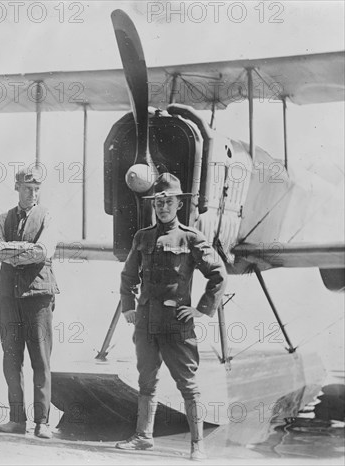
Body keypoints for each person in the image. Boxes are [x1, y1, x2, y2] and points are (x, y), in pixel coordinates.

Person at [116, 173, 227, 461]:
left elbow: (218, 275)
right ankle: (143, 437)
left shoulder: (191, 238)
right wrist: (128, 305)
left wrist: (201, 309)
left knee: (188, 385)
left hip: (177, 325)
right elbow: (128, 275)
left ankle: (197, 445)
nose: (163, 207)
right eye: (159, 201)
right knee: (146, 381)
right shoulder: (142, 238)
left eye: (169, 201)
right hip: (146, 324)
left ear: (179, 204)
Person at [0, 166, 59, 439]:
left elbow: (44, 251)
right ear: (17, 187)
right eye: (28, 187)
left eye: (37, 188)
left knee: (40, 360)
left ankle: (42, 422)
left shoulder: (47, 217)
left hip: (39, 297)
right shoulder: (3, 218)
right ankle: (17, 420)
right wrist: (24, 250)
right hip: (8, 296)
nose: (33, 193)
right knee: (11, 357)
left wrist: (13, 249)